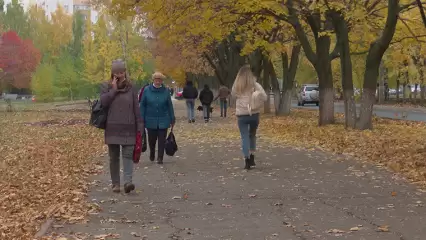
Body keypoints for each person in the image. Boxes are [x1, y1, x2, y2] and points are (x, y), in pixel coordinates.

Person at [100, 59, 142, 193]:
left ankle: (128, 182)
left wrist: (140, 127)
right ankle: (115, 184)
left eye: (122, 72)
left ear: (125, 72)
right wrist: (114, 89)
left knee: (128, 155)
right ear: (112, 74)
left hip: (129, 127)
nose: (120, 75)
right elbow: (104, 102)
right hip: (112, 127)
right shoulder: (106, 87)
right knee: (114, 157)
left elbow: (136, 108)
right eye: (117, 72)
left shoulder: (131, 87)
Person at [232, 65, 267, 170]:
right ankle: (252, 157)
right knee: (252, 135)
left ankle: (246, 160)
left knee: (244, 137)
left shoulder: (237, 86)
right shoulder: (255, 85)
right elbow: (264, 97)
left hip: (242, 115)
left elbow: (233, 96)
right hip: (254, 114)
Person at [140, 72, 175, 164]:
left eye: (160, 80)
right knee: (152, 139)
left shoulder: (166, 91)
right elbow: (142, 105)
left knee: (162, 139)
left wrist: (172, 118)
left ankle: (160, 157)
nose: (158, 81)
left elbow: (169, 105)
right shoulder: (147, 90)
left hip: (163, 119)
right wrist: (141, 118)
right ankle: (152, 152)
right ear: (153, 80)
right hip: (150, 119)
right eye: (156, 79)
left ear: (162, 81)